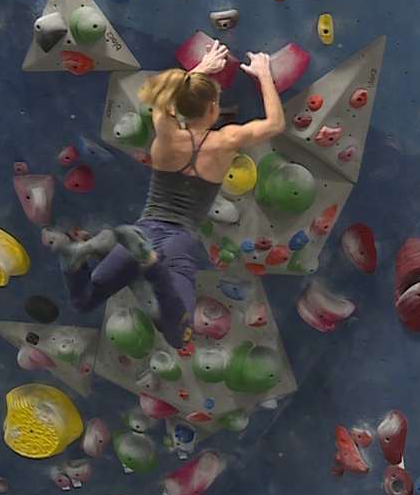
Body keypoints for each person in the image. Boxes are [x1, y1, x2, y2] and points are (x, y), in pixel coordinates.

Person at [44, 41, 286, 349]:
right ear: (214, 109)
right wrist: (264, 73)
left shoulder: (166, 133)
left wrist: (201, 69)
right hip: (178, 239)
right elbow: (275, 123)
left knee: (84, 300)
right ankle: (153, 267)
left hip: (144, 227)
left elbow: (165, 102)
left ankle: (72, 261)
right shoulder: (226, 141)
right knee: (179, 332)